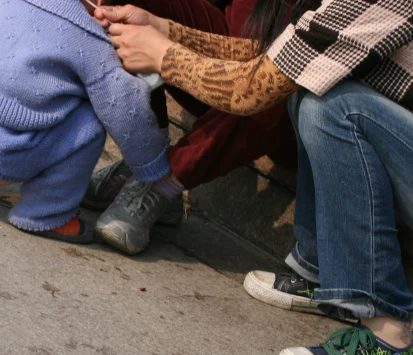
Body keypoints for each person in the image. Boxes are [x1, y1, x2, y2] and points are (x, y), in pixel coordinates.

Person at [94, 0, 413, 355]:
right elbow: (278, 59)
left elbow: (250, 89)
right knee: (312, 86)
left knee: (335, 107)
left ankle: (387, 340)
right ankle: (324, 268)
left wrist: (165, 58)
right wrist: (164, 29)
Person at [0, 0, 178, 243]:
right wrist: (153, 166)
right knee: (92, 119)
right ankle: (45, 213)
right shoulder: (93, 40)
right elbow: (126, 111)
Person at [84, 0, 298, 255]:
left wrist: (167, 51)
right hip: (231, 48)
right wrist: (162, 28)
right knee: (123, 6)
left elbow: (276, 65)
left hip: (291, 112)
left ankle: (165, 183)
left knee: (284, 75)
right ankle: (148, 159)